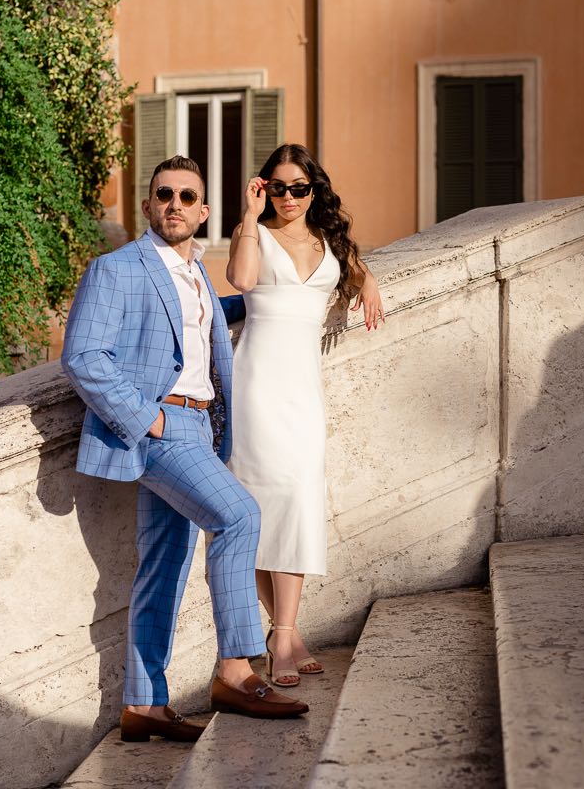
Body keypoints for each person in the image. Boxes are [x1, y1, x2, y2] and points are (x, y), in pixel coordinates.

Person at [62, 155, 309, 743]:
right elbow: (82, 356)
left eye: (186, 197)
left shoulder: (195, 273)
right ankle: (236, 668)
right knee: (239, 514)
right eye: (163, 195)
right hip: (161, 428)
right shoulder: (116, 268)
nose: (174, 204)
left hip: (202, 427)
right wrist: (146, 418)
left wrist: (275, 301)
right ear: (148, 206)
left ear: (202, 212)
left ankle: (144, 705)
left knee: (163, 568)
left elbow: (194, 328)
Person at [226, 144, 384, 686]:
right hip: (256, 388)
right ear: (262, 187)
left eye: (299, 188)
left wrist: (369, 280)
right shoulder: (256, 234)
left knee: (297, 498)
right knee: (261, 508)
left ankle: (283, 634)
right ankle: (286, 636)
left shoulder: (329, 240)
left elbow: (355, 268)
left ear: (314, 191)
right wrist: (248, 216)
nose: (289, 197)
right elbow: (242, 281)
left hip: (302, 391)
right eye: (278, 187)